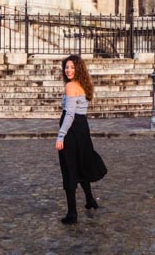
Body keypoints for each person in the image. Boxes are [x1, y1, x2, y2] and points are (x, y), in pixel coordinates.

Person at [55, 54, 106, 224]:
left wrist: (61, 136)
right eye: (66, 67)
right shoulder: (83, 85)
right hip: (82, 129)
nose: (68, 70)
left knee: (69, 168)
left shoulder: (70, 86)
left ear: (78, 68)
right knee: (81, 164)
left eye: (71, 67)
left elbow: (69, 115)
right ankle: (90, 199)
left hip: (72, 131)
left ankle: (72, 214)